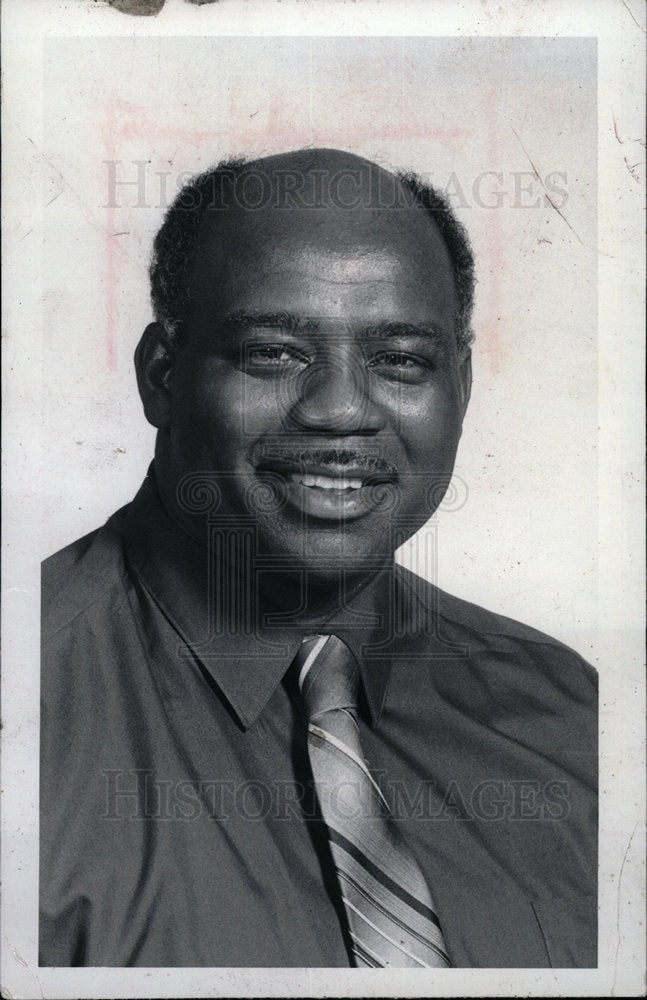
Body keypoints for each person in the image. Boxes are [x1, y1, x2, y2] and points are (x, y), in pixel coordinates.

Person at [40, 148, 597, 969]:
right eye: (274, 352)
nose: (340, 409)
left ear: (462, 388)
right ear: (162, 376)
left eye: (399, 360)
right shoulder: (29, 708)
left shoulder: (570, 717)